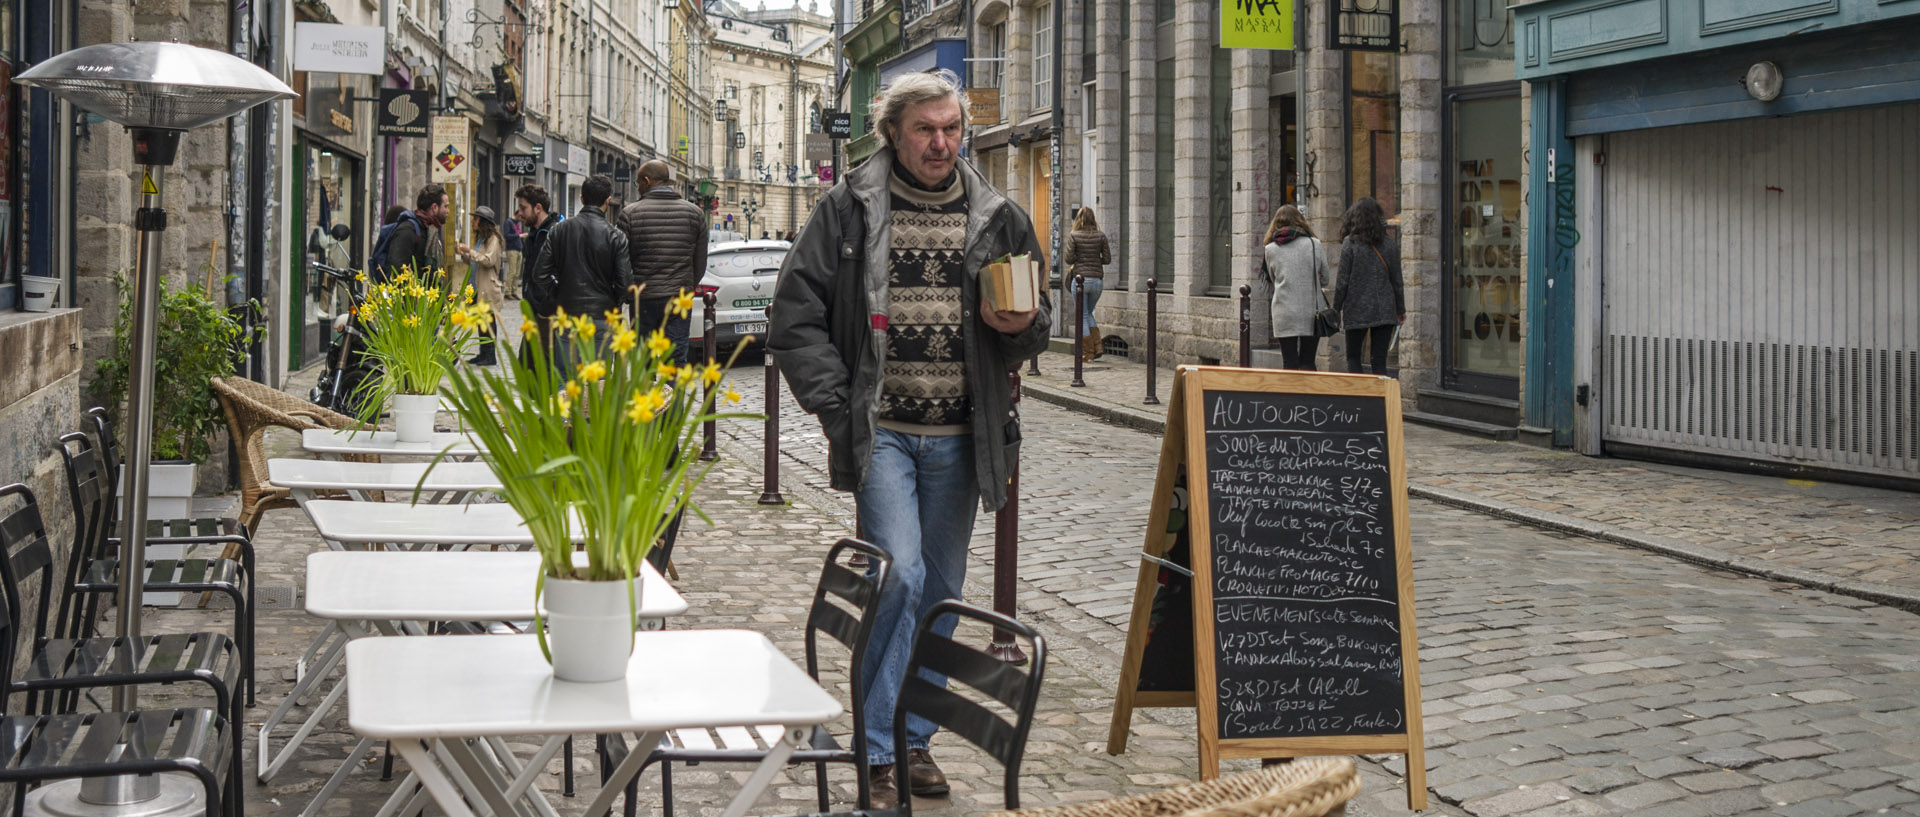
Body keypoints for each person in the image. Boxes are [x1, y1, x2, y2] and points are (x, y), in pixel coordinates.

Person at [768, 69, 1049, 810]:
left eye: (952, 128)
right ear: (892, 131)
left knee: (944, 594)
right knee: (901, 576)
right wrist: (839, 410)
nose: (942, 143)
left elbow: (1036, 322)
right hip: (884, 433)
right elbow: (793, 316)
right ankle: (881, 743)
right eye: (926, 129)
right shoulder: (850, 209)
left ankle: (912, 739)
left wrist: (1023, 329)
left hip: (961, 436)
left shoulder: (998, 215)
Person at [615, 160, 709, 365]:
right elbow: (700, 261)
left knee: (643, 361)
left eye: (638, 183)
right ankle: (674, 398)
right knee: (675, 360)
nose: (638, 188)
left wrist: (629, 292)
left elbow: (622, 262)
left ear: (647, 181)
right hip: (678, 296)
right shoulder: (695, 214)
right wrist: (688, 287)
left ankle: (648, 397)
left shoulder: (629, 214)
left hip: (644, 298)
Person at [529, 174, 631, 355]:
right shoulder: (615, 236)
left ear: (582, 198)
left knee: (566, 377)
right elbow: (624, 282)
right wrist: (611, 300)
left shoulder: (559, 230)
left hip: (568, 313)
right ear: (608, 201)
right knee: (599, 379)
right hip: (602, 316)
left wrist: (558, 292)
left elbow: (540, 273)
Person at [1332, 197, 1403, 375]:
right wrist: (1400, 309)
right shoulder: (1389, 244)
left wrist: (1336, 309)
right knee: (1379, 361)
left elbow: (1342, 282)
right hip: (1385, 309)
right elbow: (1397, 281)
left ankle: (1358, 401)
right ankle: (1379, 401)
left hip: (1357, 308)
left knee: (1354, 357)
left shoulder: (1350, 244)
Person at [1262, 204, 1329, 371]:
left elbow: (1272, 277)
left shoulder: (1270, 249)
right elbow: (1326, 279)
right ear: (1300, 222)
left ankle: (1290, 396)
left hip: (1284, 310)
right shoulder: (1314, 244)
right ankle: (1309, 396)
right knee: (1308, 361)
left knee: (1289, 363)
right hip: (1311, 310)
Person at [456, 206, 506, 366]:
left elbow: (487, 260)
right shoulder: (481, 239)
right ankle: (483, 353)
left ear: (483, 222)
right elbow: (473, 260)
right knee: (480, 320)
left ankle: (490, 355)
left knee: (488, 320)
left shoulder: (493, 239)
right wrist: (463, 254)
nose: (473, 222)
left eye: (476, 219)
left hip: (488, 286)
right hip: (477, 285)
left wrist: (469, 251)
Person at [1062, 207, 1111, 362]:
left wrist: (1080, 258)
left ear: (1078, 219)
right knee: (1088, 313)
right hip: (1097, 281)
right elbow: (1107, 259)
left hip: (1080, 281)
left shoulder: (1073, 236)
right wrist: (1096, 261)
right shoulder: (1101, 236)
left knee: (1082, 315)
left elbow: (1069, 259)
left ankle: (1088, 352)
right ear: (1093, 219)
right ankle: (1098, 347)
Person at [382, 183, 448, 280]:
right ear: (434, 207)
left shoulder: (430, 231)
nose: (448, 211)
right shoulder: (408, 230)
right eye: (445, 206)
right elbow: (396, 269)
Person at [502, 218, 525, 301]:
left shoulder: (518, 223)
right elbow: (506, 235)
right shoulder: (508, 222)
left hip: (519, 249)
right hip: (512, 249)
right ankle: (507, 292)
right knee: (512, 271)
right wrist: (519, 236)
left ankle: (514, 292)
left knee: (517, 272)